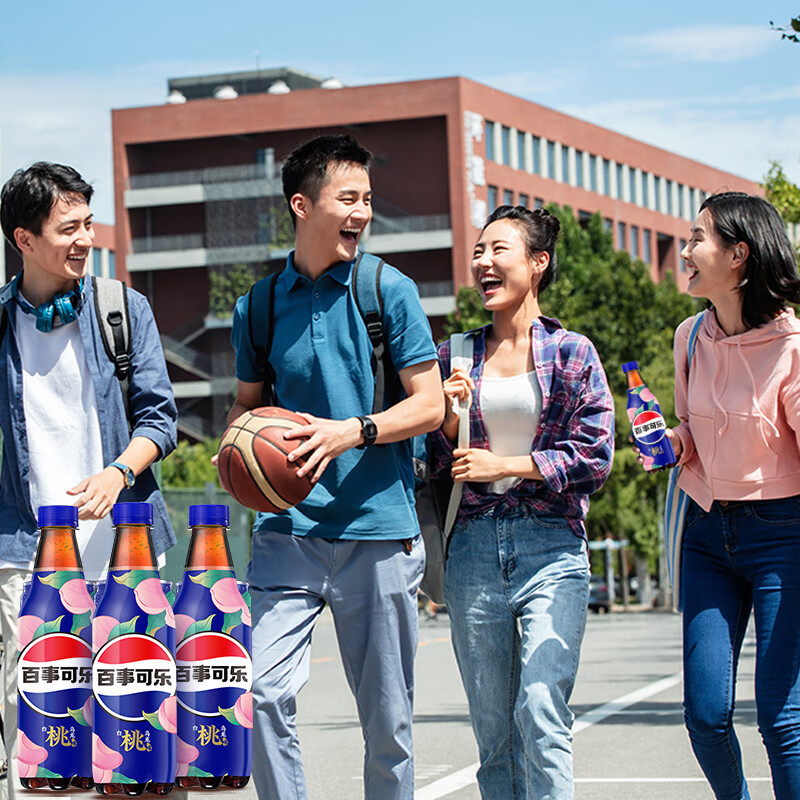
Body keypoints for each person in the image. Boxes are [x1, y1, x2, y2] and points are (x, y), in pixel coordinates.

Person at [227, 134, 444, 800]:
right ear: (303, 205)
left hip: (377, 530)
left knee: (387, 724)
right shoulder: (258, 306)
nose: (363, 212)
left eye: (368, 200)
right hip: (287, 534)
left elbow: (431, 404)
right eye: (349, 198)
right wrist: (235, 448)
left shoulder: (389, 290)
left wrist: (355, 430)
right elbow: (247, 407)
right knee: (259, 693)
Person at [0, 162, 177, 796]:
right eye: (67, 228)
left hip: (125, 549)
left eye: (87, 224)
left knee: (139, 727)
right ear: (24, 239)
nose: (85, 239)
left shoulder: (120, 310)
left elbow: (160, 418)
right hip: (26, 554)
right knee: (37, 728)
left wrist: (118, 472)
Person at [428, 205, 614, 799]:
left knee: (540, 707)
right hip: (473, 552)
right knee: (493, 735)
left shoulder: (572, 353)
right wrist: (445, 420)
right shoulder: (453, 356)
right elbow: (430, 466)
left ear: (537, 263)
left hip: (551, 546)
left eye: (498, 250)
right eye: (478, 251)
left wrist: (506, 465)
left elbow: (595, 456)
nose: (483, 262)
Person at [666, 192, 800, 799]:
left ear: (739, 254)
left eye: (697, 239)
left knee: (782, 717)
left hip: (783, 537)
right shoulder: (689, 336)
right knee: (704, 716)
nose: (685, 251)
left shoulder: (792, 348)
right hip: (706, 533)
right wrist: (673, 444)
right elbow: (690, 429)